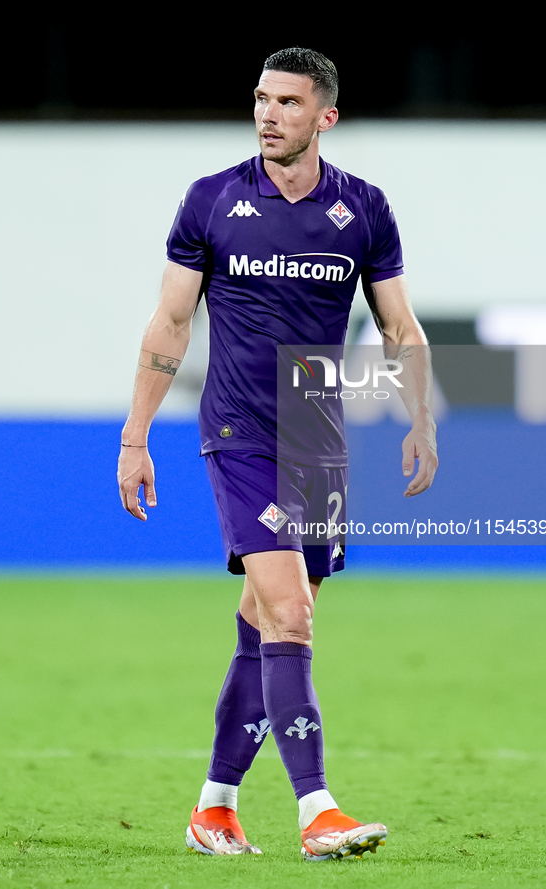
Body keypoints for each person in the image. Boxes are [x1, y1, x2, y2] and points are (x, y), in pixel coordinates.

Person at [117, 47, 438, 861]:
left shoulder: (362, 210)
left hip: (314, 432)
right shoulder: (213, 200)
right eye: (261, 99)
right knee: (288, 609)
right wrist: (136, 434)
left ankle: (213, 807)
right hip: (239, 432)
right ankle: (316, 810)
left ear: (324, 116)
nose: (268, 115)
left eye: (288, 103)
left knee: (267, 623)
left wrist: (420, 420)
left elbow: (400, 327)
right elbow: (170, 323)